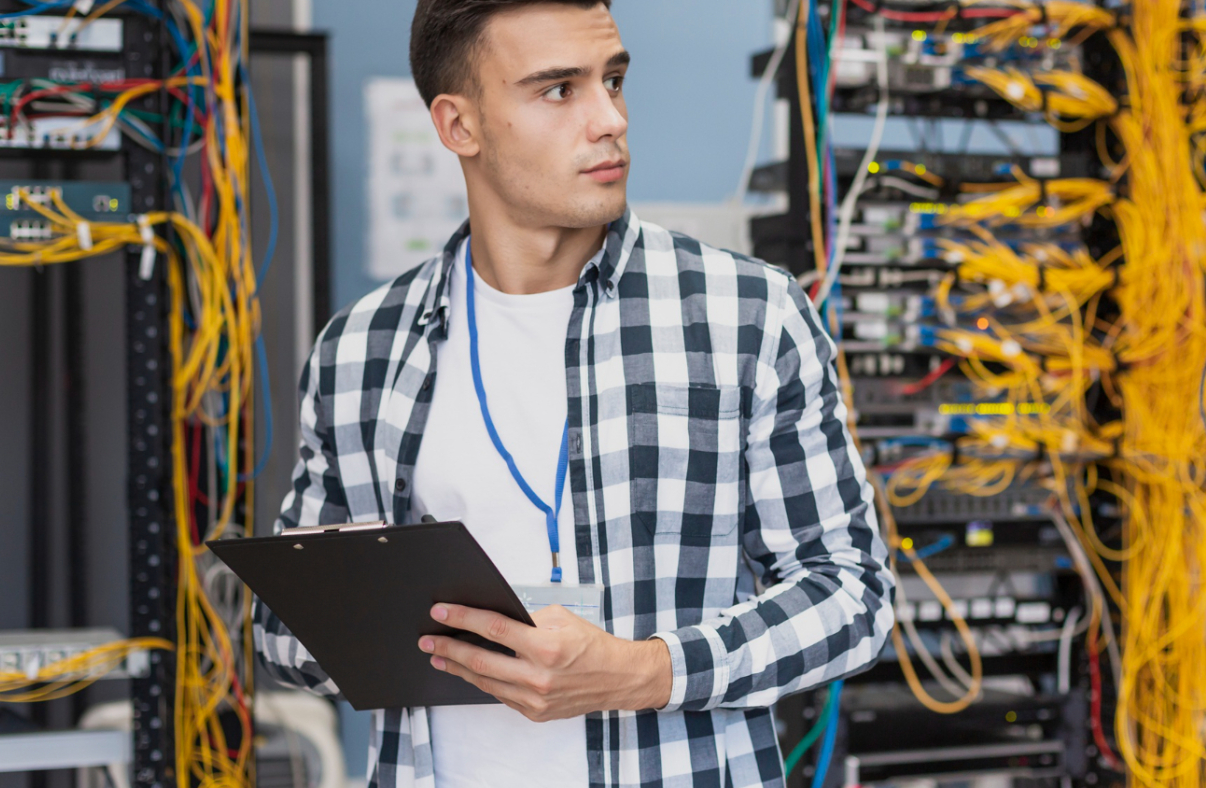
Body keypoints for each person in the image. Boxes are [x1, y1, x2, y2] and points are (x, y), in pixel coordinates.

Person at [254, 1, 895, 785]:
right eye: (558, 90)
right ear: (459, 126)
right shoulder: (361, 348)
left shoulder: (744, 315)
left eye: (613, 80)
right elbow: (281, 637)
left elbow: (852, 598)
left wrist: (645, 671)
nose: (609, 120)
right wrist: (363, 615)